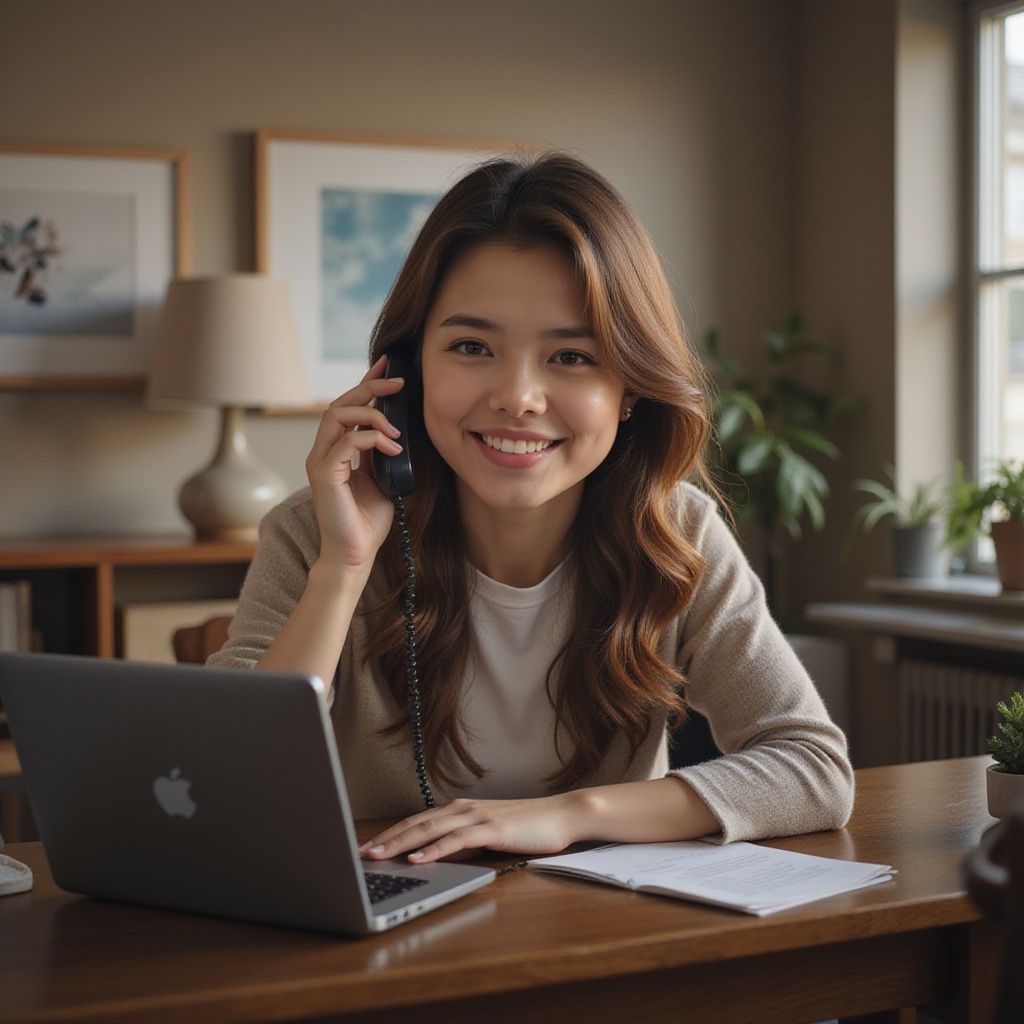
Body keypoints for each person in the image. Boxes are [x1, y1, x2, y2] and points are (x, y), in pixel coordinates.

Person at [208, 152, 854, 866]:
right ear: (409, 369)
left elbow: (811, 768)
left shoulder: (678, 533)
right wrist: (344, 568)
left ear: (631, 388)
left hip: (599, 934)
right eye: (472, 346)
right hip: (384, 936)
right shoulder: (314, 533)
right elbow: (227, 780)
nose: (518, 396)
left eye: (571, 357)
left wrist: (569, 816)